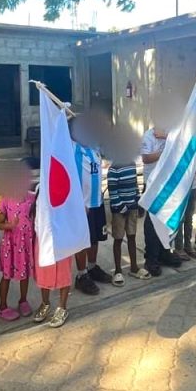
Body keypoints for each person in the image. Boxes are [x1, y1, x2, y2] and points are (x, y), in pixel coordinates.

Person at [72, 119, 110, 295]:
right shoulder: (71, 148)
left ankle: (92, 267)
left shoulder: (94, 146)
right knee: (82, 241)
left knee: (94, 238)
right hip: (82, 206)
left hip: (97, 202)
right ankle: (81, 276)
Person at [140, 125, 183, 276]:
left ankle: (165, 252)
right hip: (153, 185)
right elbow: (145, 158)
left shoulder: (170, 133)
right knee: (152, 223)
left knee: (166, 220)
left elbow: (182, 144)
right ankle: (151, 258)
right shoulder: (148, 136)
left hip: (168, 185)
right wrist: (166, 151)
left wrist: (167, 138)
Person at [106, 147, 150, 284]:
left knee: (132, 236)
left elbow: (135, 186)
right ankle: (118, 270)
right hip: (120, 211)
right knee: (118, 239)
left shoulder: (131, 165)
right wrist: (122, 208)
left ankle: (134, 267)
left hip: (132, 208)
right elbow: (113, 193)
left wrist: (138, 202)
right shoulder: (113, 170)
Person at [31, 188, 72, 328]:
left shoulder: (65, 183)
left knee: (63, 271)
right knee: (44, 271)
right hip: (43, 236)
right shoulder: (40, 187)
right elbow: (36, 212)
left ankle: (62, 307)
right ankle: (45, 303)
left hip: (62, 236)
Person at [0, 186, 34, 321]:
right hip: (10, 245)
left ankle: (23, 300)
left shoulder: (31, 198)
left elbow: (34, 216)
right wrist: (10, 225)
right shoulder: (5, 199)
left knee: (25, 273)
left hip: (26, 244)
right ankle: (2, 306)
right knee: (6, 275)